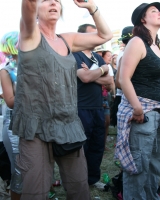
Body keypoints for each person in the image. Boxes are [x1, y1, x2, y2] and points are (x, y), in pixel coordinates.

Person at [11, 0, 112, 199]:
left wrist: (91, 7)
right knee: (35, 192)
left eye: (57, 1)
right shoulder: (29, 35)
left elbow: (105, 35)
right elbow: (29, 5)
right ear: (37, 9)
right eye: (46, 0)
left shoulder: (68, 40)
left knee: (79, 188)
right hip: (36, 128)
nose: (53, 3)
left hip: (68, 124)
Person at [115, 2, 160, 200]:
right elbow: (122, 79)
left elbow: (152, 72)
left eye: (159, 10)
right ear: (143, 19)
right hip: (142, 113)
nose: (159, 12)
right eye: (154, 11)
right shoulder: (137, 42)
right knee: (138, 166)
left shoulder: (154, 44)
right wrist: (137, 109)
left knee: (153, 164)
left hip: (157, 112)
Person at [73, 23, 113, 189]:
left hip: (98, 107)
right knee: (82, 147)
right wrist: (102, 71)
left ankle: (93, 178)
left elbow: (110, 82)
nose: (97, 37)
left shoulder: (98, 58)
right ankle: (78, 181)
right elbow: (84, 78)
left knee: (97, 145)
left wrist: (94, 73)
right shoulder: (74, 55)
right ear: (81, 36)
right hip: (80, 108)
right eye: (92, 34)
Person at [0, 31, 22, 200]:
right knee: (19, 169)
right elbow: (11, 102)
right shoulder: (7, 71)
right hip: (15, 125)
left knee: (37, 168)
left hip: (37, 122)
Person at [110, 26, 134, 127]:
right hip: (126, 97)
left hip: (125, 96)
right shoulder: (126, 54)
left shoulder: (124, 53)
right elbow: (119, 82)